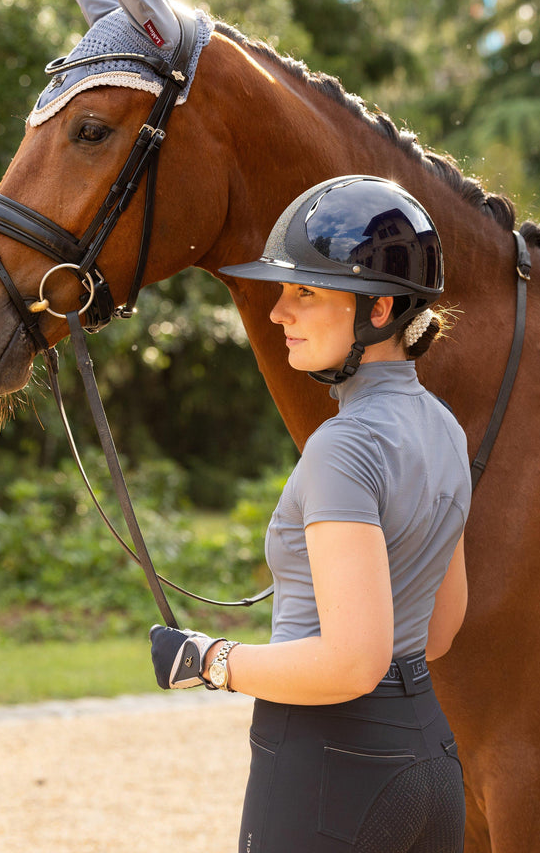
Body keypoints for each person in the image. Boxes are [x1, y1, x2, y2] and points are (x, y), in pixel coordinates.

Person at [149, 174, 471, 853]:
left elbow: (354, 663)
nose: (277, 313)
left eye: (305, 292)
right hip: (431, 762)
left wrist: (208, 660)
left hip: (332, 763)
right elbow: (437, 631)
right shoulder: (445, 429)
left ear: (379, 308)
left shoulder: (343, 447)